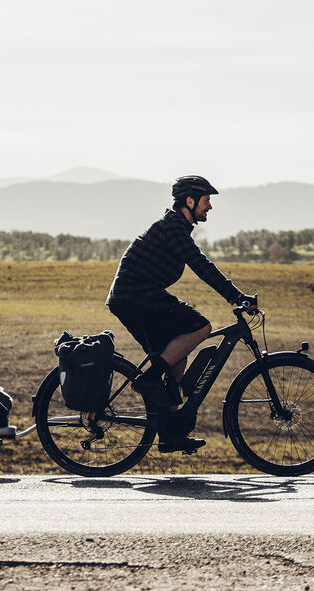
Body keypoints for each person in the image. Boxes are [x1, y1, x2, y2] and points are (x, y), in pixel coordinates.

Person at [106, 175, 256, 453]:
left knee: (177, 355)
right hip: (135, 297)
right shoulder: (173, 227)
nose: (209, 207)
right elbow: (200, 264)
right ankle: (148, 380)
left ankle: (170, 434)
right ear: (190, 201)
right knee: (201, 326)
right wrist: (236, 296)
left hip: (136, 297)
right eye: (206, 201)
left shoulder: (176, 226)